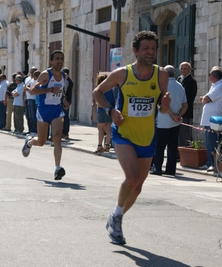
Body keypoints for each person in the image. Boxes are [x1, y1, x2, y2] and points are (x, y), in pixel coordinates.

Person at [92, 31, 170, 245]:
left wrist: (164, 107)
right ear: (135, 51)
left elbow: (162, 108)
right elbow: (97, 92)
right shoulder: (122, 74)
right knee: (133, 177)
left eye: (153, 49)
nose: (150, 52)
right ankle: (117, 217)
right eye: (145, 48)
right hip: (124, 134)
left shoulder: (161, 75)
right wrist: (110, 111)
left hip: (147, 137)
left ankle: (115, 217)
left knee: (138, 187)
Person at [21, 50, 70, 181]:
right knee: (41, 141)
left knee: (57, 138)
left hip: (56, 111)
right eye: (57, 59)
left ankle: (57, 168)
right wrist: (49, 89)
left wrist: (64, 99)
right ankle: (30, 142)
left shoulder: (64, 76)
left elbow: (61, 91)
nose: (60, 61)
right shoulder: (45, 75)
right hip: (43, 111)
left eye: (62, 58)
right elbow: (32, 90)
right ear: (51, 61)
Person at [151, 65, 187, 176]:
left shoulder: (163, 86)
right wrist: (178, 115)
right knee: (172, 146)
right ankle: (171, 169)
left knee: (160, 146)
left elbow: (163, 104)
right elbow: (185, 104)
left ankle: (157, 167)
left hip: (163, 121)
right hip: (175, 122)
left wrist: (172, 115)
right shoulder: (180, 86)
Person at [200, 66, 222, 171]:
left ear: (214, 76)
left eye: (210, 75)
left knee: (212, 142)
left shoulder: (220, 86)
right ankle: (209, 162)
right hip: (210, 119)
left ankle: (212, 163)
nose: (209, 77)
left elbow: (206, 99)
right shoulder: (215, 85)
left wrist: (204, 99)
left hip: (215, 120)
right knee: (209, 141)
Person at [177, 62, 197, 148]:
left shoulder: (191, 81)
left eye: (185, 68)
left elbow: (186, 96)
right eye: (181, 69)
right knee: (177, 134)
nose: (183, 70)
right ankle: (177, 153)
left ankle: (183, 153)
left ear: (189, 69)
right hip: (177, 111)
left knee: (184, 134)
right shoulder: (179, 79)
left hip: (186, 112)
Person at [93, 73, 115, 153]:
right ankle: (107, 145)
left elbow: (99, 100)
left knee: (100, 128)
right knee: (108, 128)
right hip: (110, 109)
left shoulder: (100, 89)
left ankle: (99, 145)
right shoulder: (111, 89)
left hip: (102, 110)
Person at [24, 67, 38, 135]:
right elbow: (25, 89)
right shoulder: (27, 79)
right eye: (31, 71)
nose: (32, 73)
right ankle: (30, 129)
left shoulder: (37, 80)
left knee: (34, 116)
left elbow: (32, 89)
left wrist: (28, 88)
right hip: (28, 98)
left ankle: (34, 130)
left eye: (33, 72)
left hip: (34, 99)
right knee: (28, 116)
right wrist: (24, 99)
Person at [62, 67, 73, 139]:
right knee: (65, 116)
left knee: (65, 116)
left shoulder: (66, 81)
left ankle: (65, 132)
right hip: (66, 99)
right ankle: (64, 132)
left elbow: (63, 91)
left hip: (65, 100)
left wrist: (64, 99)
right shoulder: (69, 81)